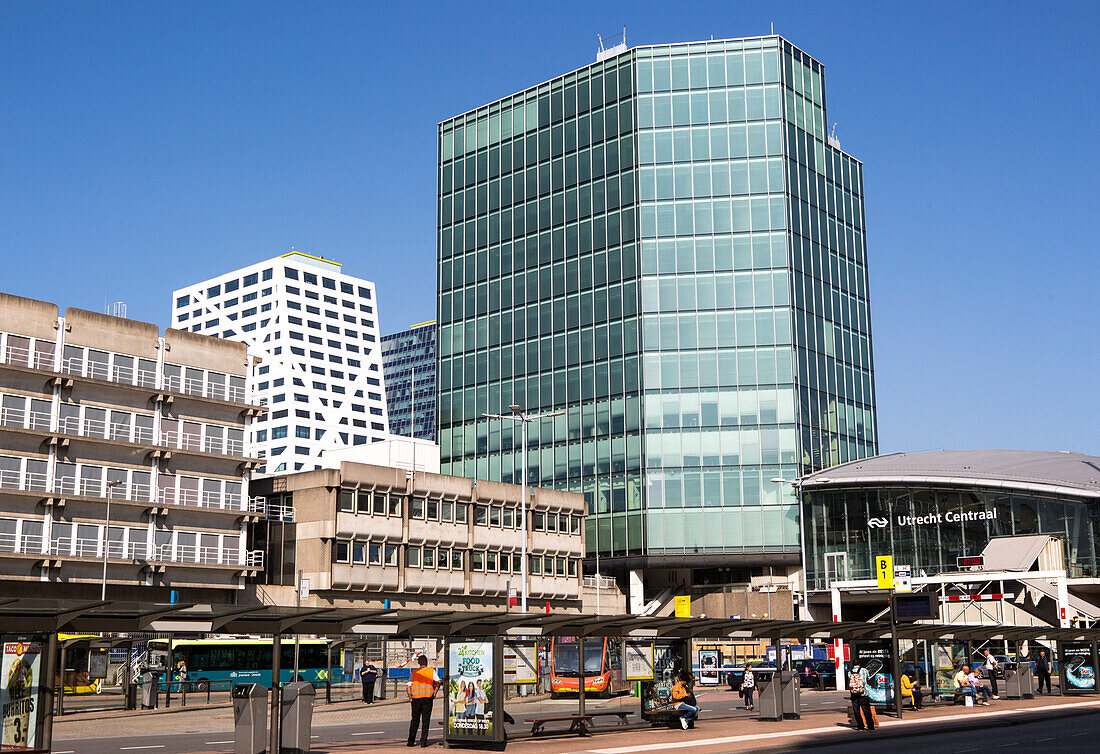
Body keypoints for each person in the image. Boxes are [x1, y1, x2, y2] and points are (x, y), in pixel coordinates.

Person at [406, 655, 440, 748]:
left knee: (415, 720)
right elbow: (438, 681)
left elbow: (408, 686)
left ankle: (411, 741)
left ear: (418, 662)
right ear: (426, 662)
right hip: (428, 698)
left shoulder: (414, 672)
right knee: (426, 720)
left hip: (416, 699)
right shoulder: (431, 671)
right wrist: (435, 692)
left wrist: (410, 698)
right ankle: (423, 741)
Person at [848, 666, 874, 731]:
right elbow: (868, 678)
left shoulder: (850, 672)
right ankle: (870, 726)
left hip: (854, 694)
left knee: (856, 710)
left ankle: (860, 726)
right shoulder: (864, 670)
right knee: (866, 710)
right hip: (863, 693)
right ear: (859, 664)